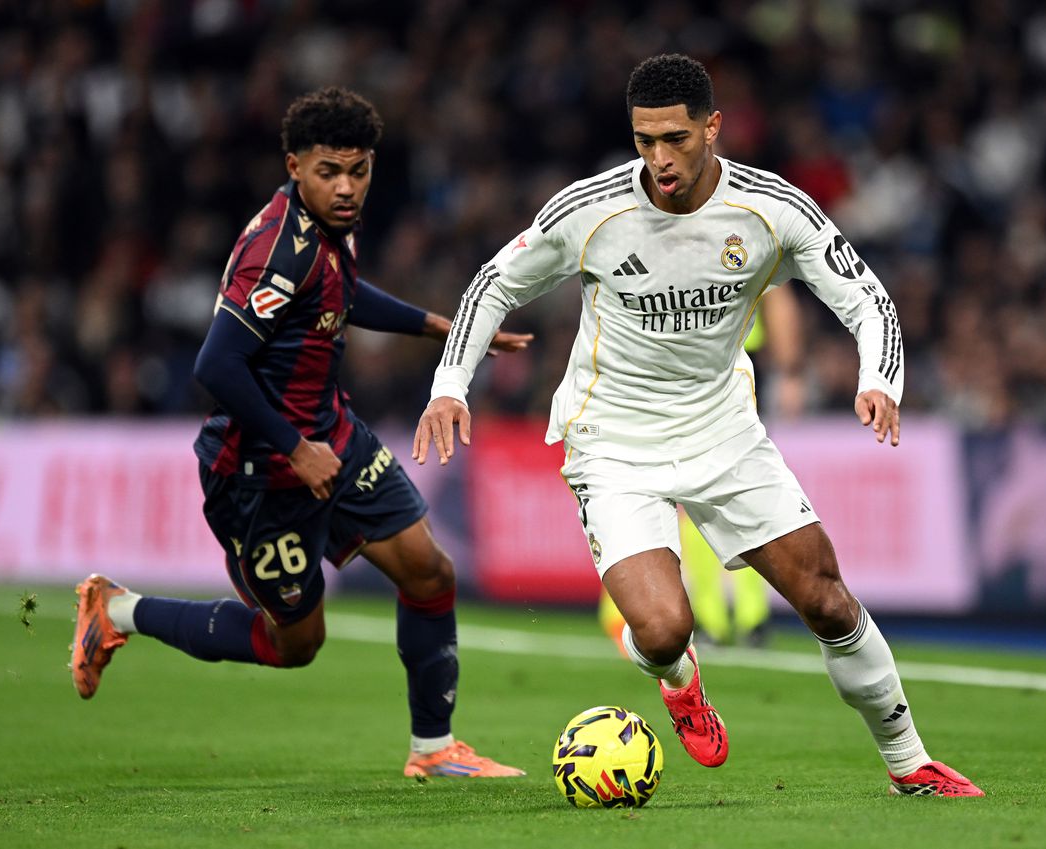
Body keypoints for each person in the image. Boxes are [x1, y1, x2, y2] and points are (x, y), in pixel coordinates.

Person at [415, 55, 982, 797]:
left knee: (828, 599)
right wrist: (450, 383)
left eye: (674, 138)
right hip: (614, 441)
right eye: (643, 140)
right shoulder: (591, 211)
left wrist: (879, 378)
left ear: (712, 127)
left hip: (724, 432)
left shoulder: (771, 208)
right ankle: (681, 682)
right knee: (659, 630)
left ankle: (911, 763)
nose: (657, 158)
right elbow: (496, 282)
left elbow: (866, 297)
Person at [71, 86, 529, 779]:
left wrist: (437, 325)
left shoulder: (327, 229)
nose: (347, 188)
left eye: (360, 170)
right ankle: (118, 610)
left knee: (430, 571)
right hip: (260, 470)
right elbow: (216, 363)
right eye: (329, 172)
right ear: (294, 165)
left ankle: (433, 749)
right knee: (295, 643)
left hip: (332, 435)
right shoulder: (276, 251)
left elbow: (343, 292)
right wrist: (292, 445)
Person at [598, 284, 804, 651]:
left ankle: (738, 618)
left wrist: (789, 371)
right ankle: (733, 619)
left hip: (731, 366)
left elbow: (777, 293)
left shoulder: (736, 231)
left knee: (720, 494)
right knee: (712, 495)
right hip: (694, 367)